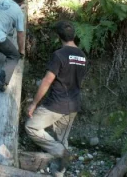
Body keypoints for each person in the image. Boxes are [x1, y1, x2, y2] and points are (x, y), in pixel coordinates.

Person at [25, 21, 87, 177]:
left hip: (56, 103)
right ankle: (60, 172)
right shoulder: (82, 56)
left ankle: (61, 152)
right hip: (73, 104)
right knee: (62, 137)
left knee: (31, 127)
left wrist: (33, 104)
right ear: (74, 35)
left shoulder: (59, 55)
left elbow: (47, 81)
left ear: (59, 36)